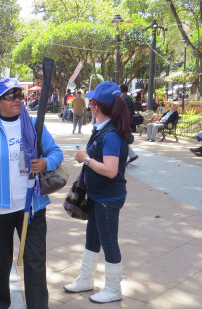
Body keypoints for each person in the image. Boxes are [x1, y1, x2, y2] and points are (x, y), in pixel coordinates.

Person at [0, 78, 63, 309]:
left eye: (19, 95)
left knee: (35, 262)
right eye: (10, 96)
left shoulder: (33, 124)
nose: (17, 100)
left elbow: (56, 153)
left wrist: (46, 163)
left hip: (31, 208)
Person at [65, 81, 130, 304]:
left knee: (109, 241)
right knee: (92, 238)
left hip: (108, 197)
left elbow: (111, 171)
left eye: (92, 101)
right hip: (98, 195)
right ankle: (85, 279)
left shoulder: (110, 134)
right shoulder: (102, 129)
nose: (90, 105)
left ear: (95, 106)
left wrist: (87, 159)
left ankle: (113, 288)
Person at [120, 84, 139, 164]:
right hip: (126, 121)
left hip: (124, 121)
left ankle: (131, 155)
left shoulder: (124, 99)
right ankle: (132, 155)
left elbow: (124, 111)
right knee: (121, 139)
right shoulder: (128, 98)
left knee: (121, 139)